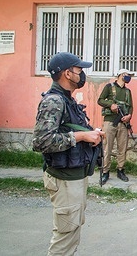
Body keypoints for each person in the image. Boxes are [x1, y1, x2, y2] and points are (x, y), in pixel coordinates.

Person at [33, 52, 105, 255]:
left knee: (72, 227)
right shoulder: (54, 101)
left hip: (74, 177)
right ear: (67, 73)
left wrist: (91, 134)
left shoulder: (67, 100)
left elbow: (68, 129)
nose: (82, 74)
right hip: (64, 179)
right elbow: (41, 141)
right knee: (65, 235)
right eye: (79, 70)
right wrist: (81, 137)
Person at [97, 69, 134, 184]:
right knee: (107, 147)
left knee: (122, 148)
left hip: (123, 123)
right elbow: (100, 100)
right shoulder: (109, 87)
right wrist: (111, 105)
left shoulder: (128, 91)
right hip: (110, 122)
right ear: (121, 75)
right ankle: (105, 171)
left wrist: (129, 116)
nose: (128, 77)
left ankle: (120, 170)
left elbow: (131, 107)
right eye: (127, 75)